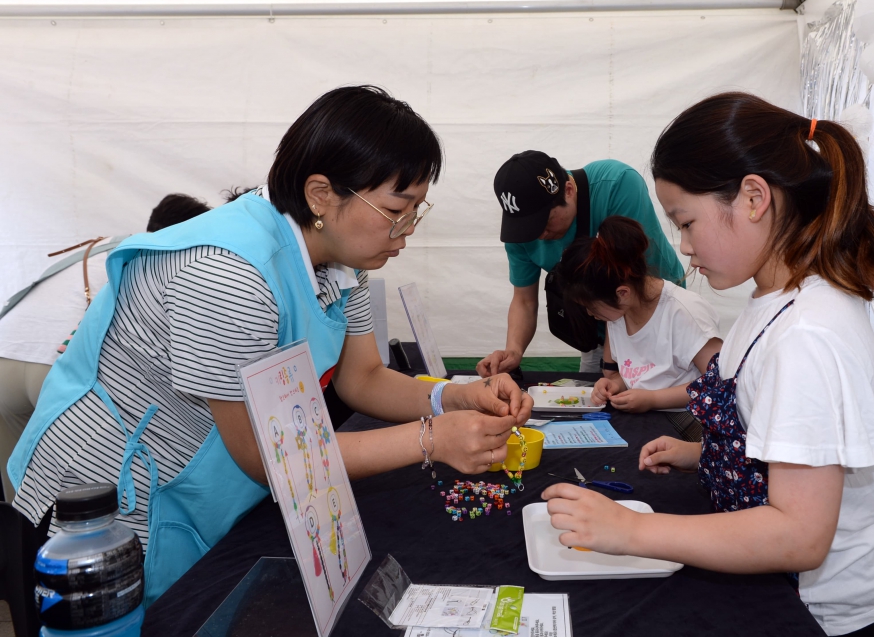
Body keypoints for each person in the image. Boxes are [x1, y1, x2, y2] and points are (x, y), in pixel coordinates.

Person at [8, 86, 531, 605]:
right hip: (105, 508)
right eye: (398, 207)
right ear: (321, 193)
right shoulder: (229, 273)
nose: (409, 229)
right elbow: (266, 457)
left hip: (196, 486)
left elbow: (362, 378)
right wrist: (431, 440)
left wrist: (455, 396)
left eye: (419, 207)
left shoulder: (343, 260)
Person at [542, 93, 874, 637]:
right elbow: (778, 442)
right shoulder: (770, 300)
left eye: (688, 222)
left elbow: (799, 535)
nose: (684, 247)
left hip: (835, 615)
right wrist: (704, 453)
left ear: (752, 197)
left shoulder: (807, 334)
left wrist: (630, 531)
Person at [0, 194, 211, 501]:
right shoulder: (156, 257)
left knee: (18, 496)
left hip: (5, 354)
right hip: (52, 367)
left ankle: (18, 547)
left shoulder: (102, 245)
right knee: (79, 501)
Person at [476, 151, 685, 376]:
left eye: (543, 222)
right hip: (598, 324)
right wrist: (514, 351)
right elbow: (524, 301)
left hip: (656, 317)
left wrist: (611, 367)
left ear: (568, 190)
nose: (538, 235)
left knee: (653, 398)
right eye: (527, 227)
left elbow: (633, 286)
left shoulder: (617, 184)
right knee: (595, 400)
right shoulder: (520, 233)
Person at [557, 215, 720, 413]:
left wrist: (653, 399)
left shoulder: (684, 311)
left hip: (687, 421)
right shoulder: (619, 313)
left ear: (622, 293)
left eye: (592, 307)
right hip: (647, 418)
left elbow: (718, 383)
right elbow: (640, 376)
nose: (590, 314)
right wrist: (615, 384)